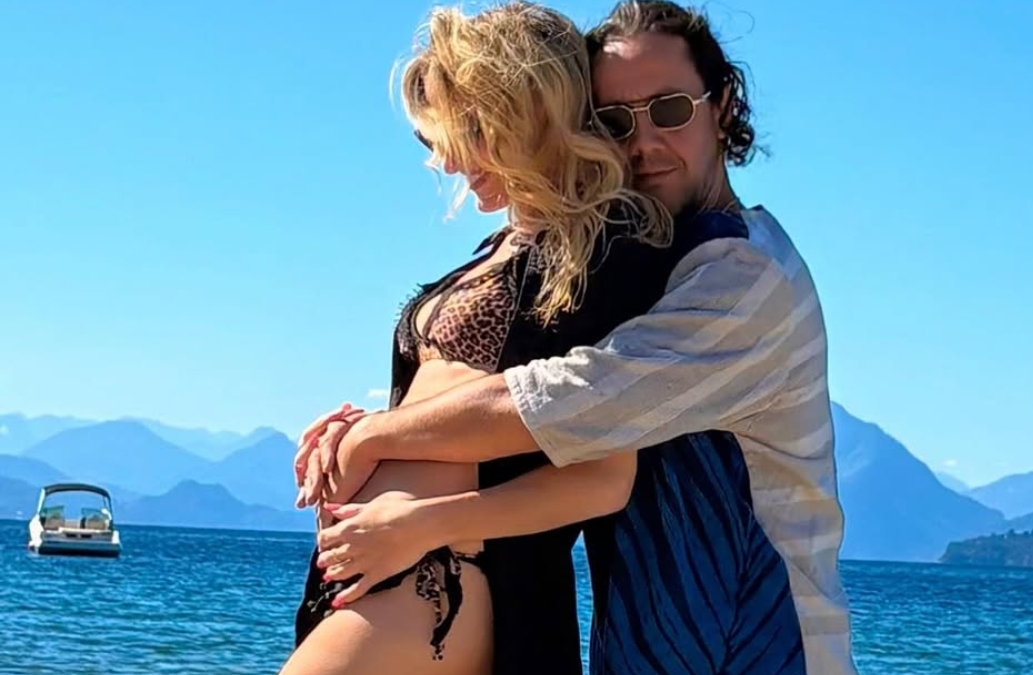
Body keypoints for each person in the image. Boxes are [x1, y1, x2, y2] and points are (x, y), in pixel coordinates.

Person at [296, 2, 859, 674]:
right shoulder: (642, 257)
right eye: (615, 120)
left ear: (723, 107)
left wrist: (377, 441)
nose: (642, 141)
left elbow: (576, 404)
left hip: (759, 652)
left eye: (669, 109)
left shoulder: (744, 274)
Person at [279, 3, 696, 674]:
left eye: (473, 127)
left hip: (441, 577)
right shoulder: (496, 251)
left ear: (530, 113)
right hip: (379, 571)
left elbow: (603, 478)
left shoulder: (607, 245)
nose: (449, 157)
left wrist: (421, 523)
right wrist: (360, 430)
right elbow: (452, 410)